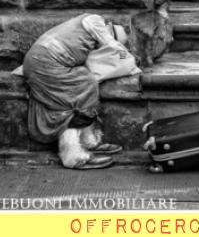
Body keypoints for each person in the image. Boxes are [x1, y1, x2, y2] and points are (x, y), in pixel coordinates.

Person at [22, 14, 134, 170]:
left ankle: (89, 141)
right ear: (110, 29)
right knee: (75, 99)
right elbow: (114, 47)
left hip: (41, 59)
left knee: (87, 82)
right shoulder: (96, 21)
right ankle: (73, 156)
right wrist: (128, 58)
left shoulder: (84, 26)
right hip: (46, 63)